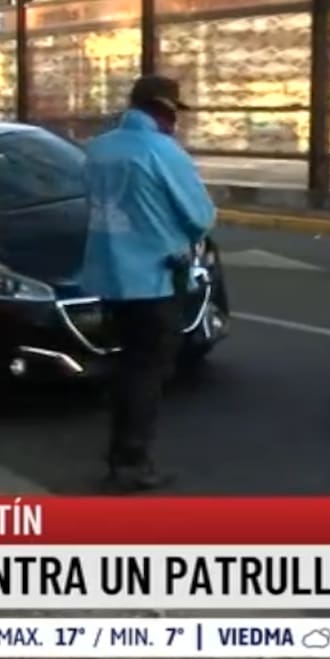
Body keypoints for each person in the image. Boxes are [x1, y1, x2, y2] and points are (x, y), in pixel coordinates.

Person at [81, 75, 216, 493]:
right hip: (154, 279)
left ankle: (118, 454)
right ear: (165, 110)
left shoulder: (98, 149)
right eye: (175, 113)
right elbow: (200, 216)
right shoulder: (163, 151)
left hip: (109, 277)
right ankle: (131, 462)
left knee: (126, 366)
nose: (176, 122)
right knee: (147, 372)